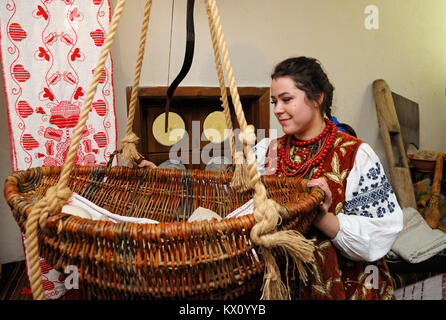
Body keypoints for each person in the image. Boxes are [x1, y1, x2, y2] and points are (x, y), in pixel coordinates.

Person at [252, 56, 403, 300]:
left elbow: (380, 233)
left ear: (317, 99)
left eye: (286, 99)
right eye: (274, 101)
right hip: (284, 287)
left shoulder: (355, 154)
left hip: (345, 286)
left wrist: (322, 217)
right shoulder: (265, 153)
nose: (277, 110)